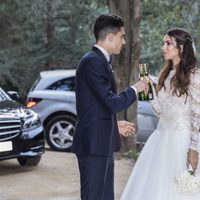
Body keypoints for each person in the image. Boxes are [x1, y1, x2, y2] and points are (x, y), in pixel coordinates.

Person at [71, 14, 147, 200]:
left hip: (101, 142)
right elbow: (113, 103)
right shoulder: (93, 61)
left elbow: (97, 105)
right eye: (122, 36)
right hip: (93, 145)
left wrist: (114, 124)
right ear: (110, 37)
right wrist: (135, 89)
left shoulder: (100, 61)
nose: (124, 41)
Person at [121, 28, 200, 200]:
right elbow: (160, 112)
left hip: (182, 141)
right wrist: (149, 91)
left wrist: (193, 148)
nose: (163, 47)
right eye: (163, 43)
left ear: (181, 47)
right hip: (160, 139)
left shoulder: (194, 76)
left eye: (168, 43)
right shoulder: (166, 75)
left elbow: (197, 113)